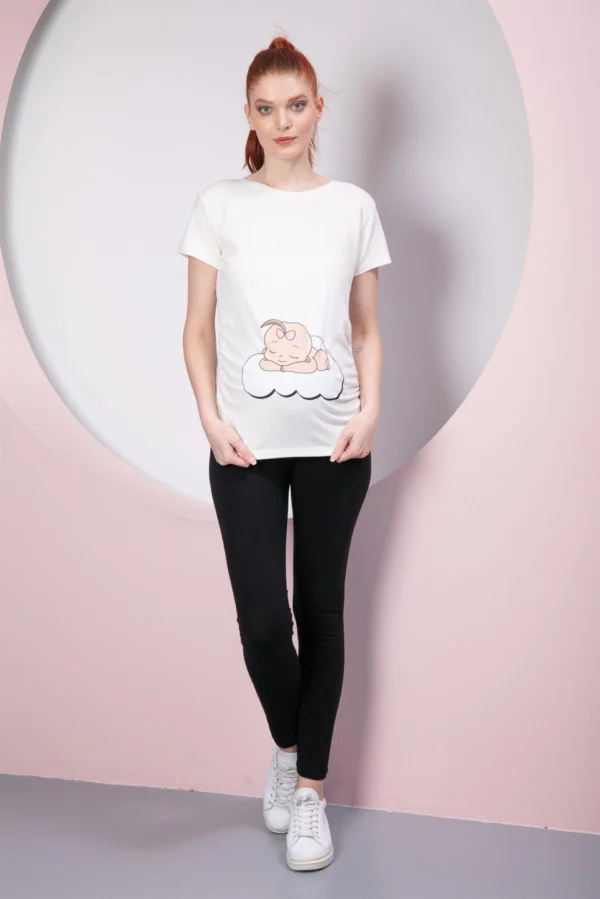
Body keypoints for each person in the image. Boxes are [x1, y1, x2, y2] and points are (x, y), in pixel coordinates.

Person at [177, 34, 392, 872]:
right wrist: (208, 416)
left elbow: (366, 329)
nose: (283, 121)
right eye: (266, 108)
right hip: (244, 448)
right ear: (249, 115)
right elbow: (197, 328)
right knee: (265, 622)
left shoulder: (354, 208)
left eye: (296, 104)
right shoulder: (219, 205)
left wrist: (371, 411)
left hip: (337, 444)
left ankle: (309, 793)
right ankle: (288, 742)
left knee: (322, 614)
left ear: (318, 107)